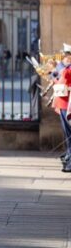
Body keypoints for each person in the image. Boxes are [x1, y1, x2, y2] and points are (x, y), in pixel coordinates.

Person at [52, 43, 71, 172]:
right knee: (67, 134)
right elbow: (58, 80)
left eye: (65, 55)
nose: (63, 57)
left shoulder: (67, 69)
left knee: (69, 134)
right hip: (63, 104)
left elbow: (63, 80)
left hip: (67, 104)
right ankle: (69, 157)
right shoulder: (65, 69)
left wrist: (56, 69)